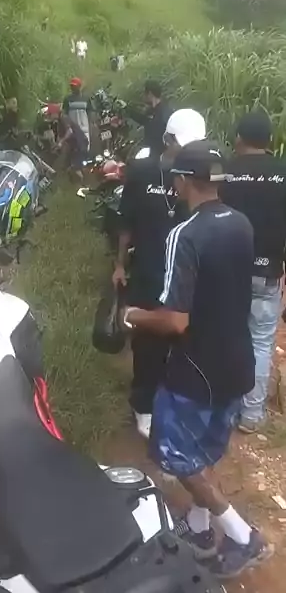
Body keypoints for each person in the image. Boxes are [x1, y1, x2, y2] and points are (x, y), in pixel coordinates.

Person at [123, 140, 272, 580]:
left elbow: (175, 321)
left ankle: (243, 537)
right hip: (237, 361)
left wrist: (132, 316)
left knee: (176, 456)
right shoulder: (240, 223)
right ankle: (201, 529)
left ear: (183, 181)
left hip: (196, 369)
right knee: (204, 448)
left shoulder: (185, 235)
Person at [113, 109, 206, 438]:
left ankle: (173, 398)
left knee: (181, 337)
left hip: (185, 271)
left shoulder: (198, 174)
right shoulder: (142, 171)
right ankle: (143, 404)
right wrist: (120, 264)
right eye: (183, 144)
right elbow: (126, 221)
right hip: (149, 268)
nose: (188, 151)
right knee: (147, 342)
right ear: (168, 139)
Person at [221, 110, 286, 433]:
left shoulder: (225, 171)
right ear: (269, 140)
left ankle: (223, 411)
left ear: (239, 138)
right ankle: (251, 414)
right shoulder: (283, 172)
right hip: (267, 271)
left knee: (227, 336)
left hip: (227, 272)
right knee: (260, 342)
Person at [127, 80, 173, 157]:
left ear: (150, 94)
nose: (143, 96)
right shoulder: (152, 110)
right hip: (150, 152)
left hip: (160, 154)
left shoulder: (164, 113)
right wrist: (127, 109)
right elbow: (143, 119)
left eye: (144, 93)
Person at [58, 78, 90, 181]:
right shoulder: (68, 99)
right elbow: (64, 113)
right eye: (71, 86)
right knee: (72, 149)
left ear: (79, 86)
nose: (73, 88)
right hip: (73, 128)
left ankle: (81, 171)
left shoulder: (86, 98)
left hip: (84, 128)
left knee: (84, 149)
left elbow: (90, 112)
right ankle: (72, 172)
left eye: (75, 86)